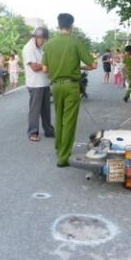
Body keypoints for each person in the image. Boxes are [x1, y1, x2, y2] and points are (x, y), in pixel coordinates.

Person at [42, 13, 97, 167]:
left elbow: (45, 68)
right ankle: (63, 157)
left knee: (58, 118)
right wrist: (77, 67)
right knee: (69, 121)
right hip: (71, 85)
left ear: (59, 26)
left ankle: (59, 149)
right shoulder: (75, 41)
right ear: (71, 26)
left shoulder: (50, 44)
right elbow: (93, 65)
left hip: (56, 85)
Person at [23, 27, 55, 142]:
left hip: (44, 83)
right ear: (37, 37)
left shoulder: (40, 48)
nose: (44, 42)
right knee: (35, 110)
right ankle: (33, 132)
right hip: (35, 84)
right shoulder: (29, 48)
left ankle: (48, 130)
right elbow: (34, 67)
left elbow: (45, 63)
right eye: (43, 39)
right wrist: (45, 66)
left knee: (46, 109)